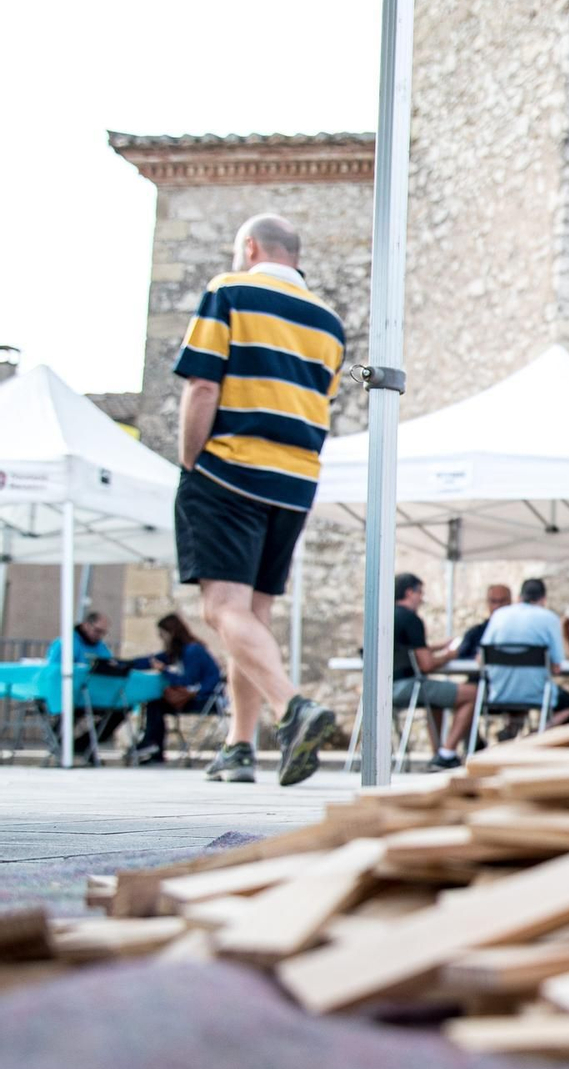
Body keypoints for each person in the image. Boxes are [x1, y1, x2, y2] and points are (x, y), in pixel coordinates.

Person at [172, 213, 346, 785]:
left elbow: (202, 384)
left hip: (229, 469)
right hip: (294, 481)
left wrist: (190, 460)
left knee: (220, 608)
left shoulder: (230, 290)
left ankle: (293, 707)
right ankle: (239, 746)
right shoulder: (329, 323)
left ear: (249, 247)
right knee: (253, 615)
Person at [391, 573, 478, 771]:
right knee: (474, 693)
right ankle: (447, 753)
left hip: (384, 689)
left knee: (438, 701)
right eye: (420, 592)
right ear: (409, 592)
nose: (422, 598)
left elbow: (410, 651)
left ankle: (437, 753)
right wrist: (451, 655)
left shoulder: (387, 616)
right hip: (407, 687)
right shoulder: (412, 620)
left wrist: (438, 646)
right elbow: (427, 665)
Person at [479, 578, 569, 729]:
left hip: (499, 692)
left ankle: (511, 736)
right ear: (544, 599)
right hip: (536, 692)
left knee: (517, 693)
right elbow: (557, 665)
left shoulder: (499, 615)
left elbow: (481, 658)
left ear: (519, 597)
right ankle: (536, 735)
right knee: (568, 705)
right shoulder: (549, 618)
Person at [131, 614, 224, 766]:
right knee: (155, 703)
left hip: (206, 699)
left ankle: (151, 744)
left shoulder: (193, 650)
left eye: (162, 635)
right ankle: (153, 746)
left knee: (157, 704)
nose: (162, 640)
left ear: (171, 633)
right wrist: (123, 664)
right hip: (195, 697)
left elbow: (188, 682)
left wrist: (164, 671)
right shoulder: (178, 652)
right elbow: (150, 660)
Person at [42, 611, 125, 765]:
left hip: (92, 696)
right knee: (69, 710)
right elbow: (54, 671)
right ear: (86, 625)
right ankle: (61, 743)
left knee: (120, 711)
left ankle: (81, 745)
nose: (99, 636)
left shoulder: (100, 646)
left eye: (103, 632)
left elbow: (108, 663)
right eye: (97, 631)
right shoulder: (65, 643)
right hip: (68, 696)